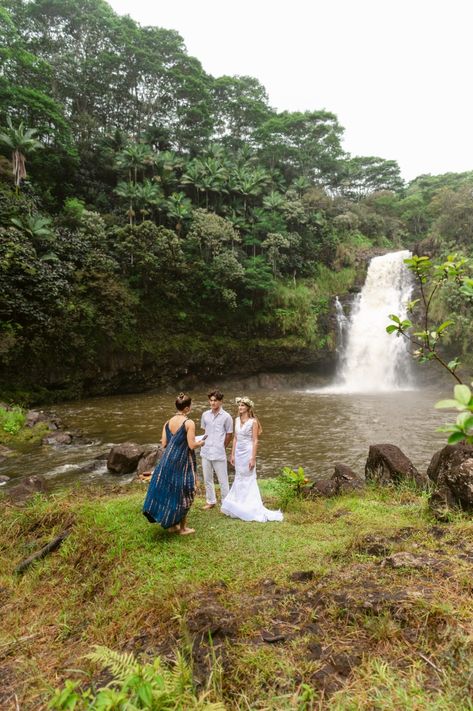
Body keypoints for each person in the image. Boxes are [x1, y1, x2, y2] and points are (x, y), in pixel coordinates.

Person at [143, 393, 206, 535]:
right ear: (188, 408)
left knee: (171, 490)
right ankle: (182, 528)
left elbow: (164, 443)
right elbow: (191, 445)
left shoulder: (167, 422)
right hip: (183, 461)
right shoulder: (189, 423)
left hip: (167, 461)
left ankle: (172, 525)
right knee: (185, 490)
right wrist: (201, 442)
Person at [221, 396, 283, 523]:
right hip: (238, 452)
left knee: (248, 478)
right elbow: (236, 438)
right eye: (239, 405)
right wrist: (232, 454)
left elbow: (255, 440)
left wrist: (253, 458)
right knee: (239, 477)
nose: (240, 408)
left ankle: (250, 507)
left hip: (248, 452)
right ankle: (238, 505)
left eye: (242, 406)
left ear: (248, 408)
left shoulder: (253, 422)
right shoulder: (236, 420)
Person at [200, 389, 233, 509]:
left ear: (221, 402)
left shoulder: (227, 417)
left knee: (223, 479)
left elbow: (229, 434)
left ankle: (226, 503)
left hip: (219, 452)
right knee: (207, 478)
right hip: (206, 451)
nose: (213, 403)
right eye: (211, 400)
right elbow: (205, 431)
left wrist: (222, 446)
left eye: (215, 400)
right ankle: (211, 501)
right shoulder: (205, 415)